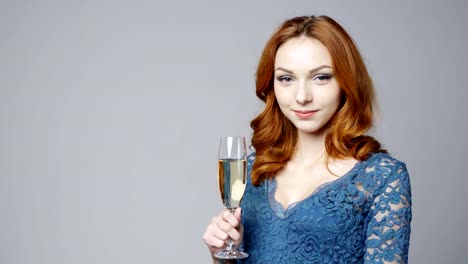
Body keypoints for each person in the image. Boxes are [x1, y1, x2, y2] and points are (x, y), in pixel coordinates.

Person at [203, 15, 412, 263]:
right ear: (272, 85)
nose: (302, 96)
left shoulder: (381, 178)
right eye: (286, 79)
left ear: (346, 82)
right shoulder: (255, 170)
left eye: (321, 77)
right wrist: (221, 257)